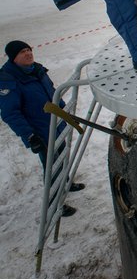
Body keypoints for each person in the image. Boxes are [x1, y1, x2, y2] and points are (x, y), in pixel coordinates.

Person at [0, 41, 84, 217]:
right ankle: (53, 203)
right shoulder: (8, 80)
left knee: (62, 156)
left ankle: (65, 184)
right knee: (51, 165)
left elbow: (52, 92)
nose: (28, 54)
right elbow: (10, 113)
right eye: (23, 52)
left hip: (55, 124)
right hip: (40, 131)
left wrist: (64, 112)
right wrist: (30, 136)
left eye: (29, 50)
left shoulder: (37, 69)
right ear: (13, 57)